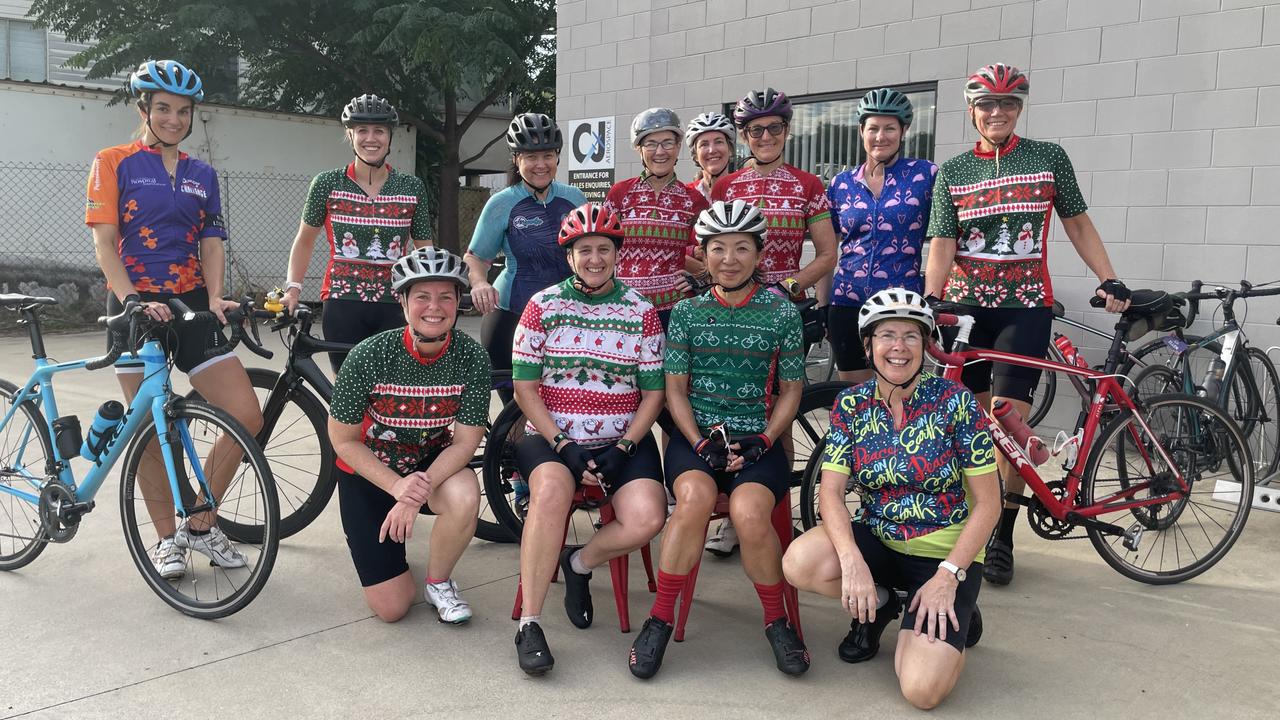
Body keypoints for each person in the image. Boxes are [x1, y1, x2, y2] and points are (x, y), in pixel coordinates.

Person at [923, 63, 1132, 586]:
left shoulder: (1047, 159)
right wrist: (930, 296)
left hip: (1024, 306)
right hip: (966, 310)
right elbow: (943, 243)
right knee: (963, 425)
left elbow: (1077, 222)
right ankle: (962, 524)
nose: (997, 113)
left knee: (1009, 427)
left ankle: (1002, 535)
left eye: (1008, 104)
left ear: (1020, 109)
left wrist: (1109, 278)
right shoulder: (952, 171)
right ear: (971, 111)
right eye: (987, 104)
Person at [86, 59, 264, 579]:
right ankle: (168, 540)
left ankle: (201, 523)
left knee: (245, 414)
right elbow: (103, 242)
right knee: (146, 428)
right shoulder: (113, 160)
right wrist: (132, 300)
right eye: (163, 108)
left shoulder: (201, 173)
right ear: (144, 108)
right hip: (135, 305)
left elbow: (211, 241)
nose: (173, 118)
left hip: (190, 303)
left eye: (183, 111)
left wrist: (214, 298)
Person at [783, 289, 1000, 710]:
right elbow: (829, 491)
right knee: (799, 562)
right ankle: (881, 605)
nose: (898, 347)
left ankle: (953, 608)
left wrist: (947, 576)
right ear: (869, 345)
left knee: (920, 690)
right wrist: (851, 562)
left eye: (911, 336)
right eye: (886, 335)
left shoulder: (956, 403)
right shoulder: (851, 403)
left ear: (926, 344)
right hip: (880, 538)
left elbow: (989, 504)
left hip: (944, 555)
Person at [627, 199, 809, 680]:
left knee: (750, 513)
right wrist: (699, 440)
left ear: (758, 253)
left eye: (741, 248)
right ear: (703, 254)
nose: (729, 259)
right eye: (718, 248)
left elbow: (792, 391)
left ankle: (776, 621)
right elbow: (674, 391)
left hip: (758, 443)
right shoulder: (686, 313)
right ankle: (660, 619)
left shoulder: (781, 312)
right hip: (696, 439)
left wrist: (766, 440)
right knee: (691, 503)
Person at [509, 203, 668, 676]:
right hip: (551, 436)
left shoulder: (641, 311)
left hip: (622, 438)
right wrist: (564, 444)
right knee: (552, 492)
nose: (594, 258)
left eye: (603, 249)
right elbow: (524, 388)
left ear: (617, 254)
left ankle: (578, 563)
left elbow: (654, 394)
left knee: (647, 518)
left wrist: (624, 448)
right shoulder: (543, 307)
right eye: (584, 250)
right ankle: (530, 624)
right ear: (569, 255)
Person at [704, 88, 839, 558]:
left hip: (782, 311)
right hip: (731, 311)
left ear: (787, 131)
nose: (765, 136)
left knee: (780, 412)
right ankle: (736, 519)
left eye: (774, 128)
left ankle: (770, 514)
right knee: (730, 400)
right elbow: (713, 251)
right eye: (755, 129)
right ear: (743, 135)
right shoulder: (725, 187)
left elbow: (826, 255)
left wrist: (788, 289)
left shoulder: (808, 185)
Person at [327, 247, 489, 623]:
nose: (435, 307)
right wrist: (397, 489)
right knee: (393, 608)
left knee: (465, 492)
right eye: (422, 296)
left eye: (446, 296)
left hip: (426, 464)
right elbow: (343, 440)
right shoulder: (368, 356)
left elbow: (465, 442)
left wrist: (417, 489)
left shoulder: (472, 358)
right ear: (402, 301)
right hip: (369, 471)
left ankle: (439, 581)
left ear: (458, 302)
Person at [281, 93, 432, 373]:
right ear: (350, 135)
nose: (370, 138)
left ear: (389, 137)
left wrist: (429, 299)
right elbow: (304, 241)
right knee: (349, 395)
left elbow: (424, 251)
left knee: (394, 393)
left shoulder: (412, 188)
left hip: (396, 304)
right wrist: (292, 290)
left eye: (379, 131)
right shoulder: (326, 184)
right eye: (362, 130)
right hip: (342, 302)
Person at [465, 113, 587, 381]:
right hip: (510, 315)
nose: (540, 164)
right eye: (531, 157)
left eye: (547, 156)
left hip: (567, 317)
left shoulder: (575, 198)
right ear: (516, 160)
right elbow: (476, 258)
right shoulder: (501, 203)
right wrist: (479, 284)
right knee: (512, 412)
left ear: (557, 156)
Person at [826, 88, 937, 384]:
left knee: (897, 393)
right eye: (873, 128)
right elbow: (829, 248)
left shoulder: (925, 174)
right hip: (846, 302)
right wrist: (825, 305)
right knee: (853, 395)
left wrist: (936, 294)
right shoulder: (841, 183)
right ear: (861, 130)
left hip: (900, 304)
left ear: (904, 131)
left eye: (890, 128)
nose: (880, 136)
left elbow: (946, 237)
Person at [604, 108, 709, 327]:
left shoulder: (694, 200)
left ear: (678, 146)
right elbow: (603, 245)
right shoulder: (620, 193)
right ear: (639, 149)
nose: (660, 151)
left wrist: (700, 278)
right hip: (625, 307)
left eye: (667, 143)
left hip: (674, 311)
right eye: (650, 143)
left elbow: (713, 251)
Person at [685, 111, 737, 201]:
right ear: (695, 155)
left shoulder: (746, 191)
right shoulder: (684, 195)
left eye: (718, 142)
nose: (712, 150)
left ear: (730, 150)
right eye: (704, 144)